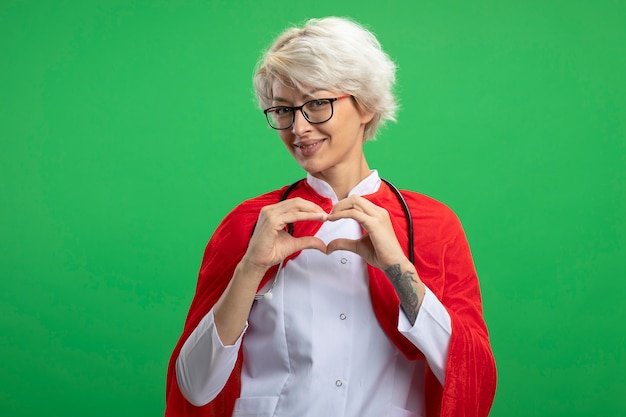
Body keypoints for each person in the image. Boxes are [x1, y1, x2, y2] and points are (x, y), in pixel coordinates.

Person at [165, 16, 496, 417]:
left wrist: (397, 267)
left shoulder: (431, 225)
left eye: (317, 103)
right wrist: (250, 268)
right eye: (283, 110)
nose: (298, 128)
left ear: (366, 104)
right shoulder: (250, 224)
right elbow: (194, 388)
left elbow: (471, 377)